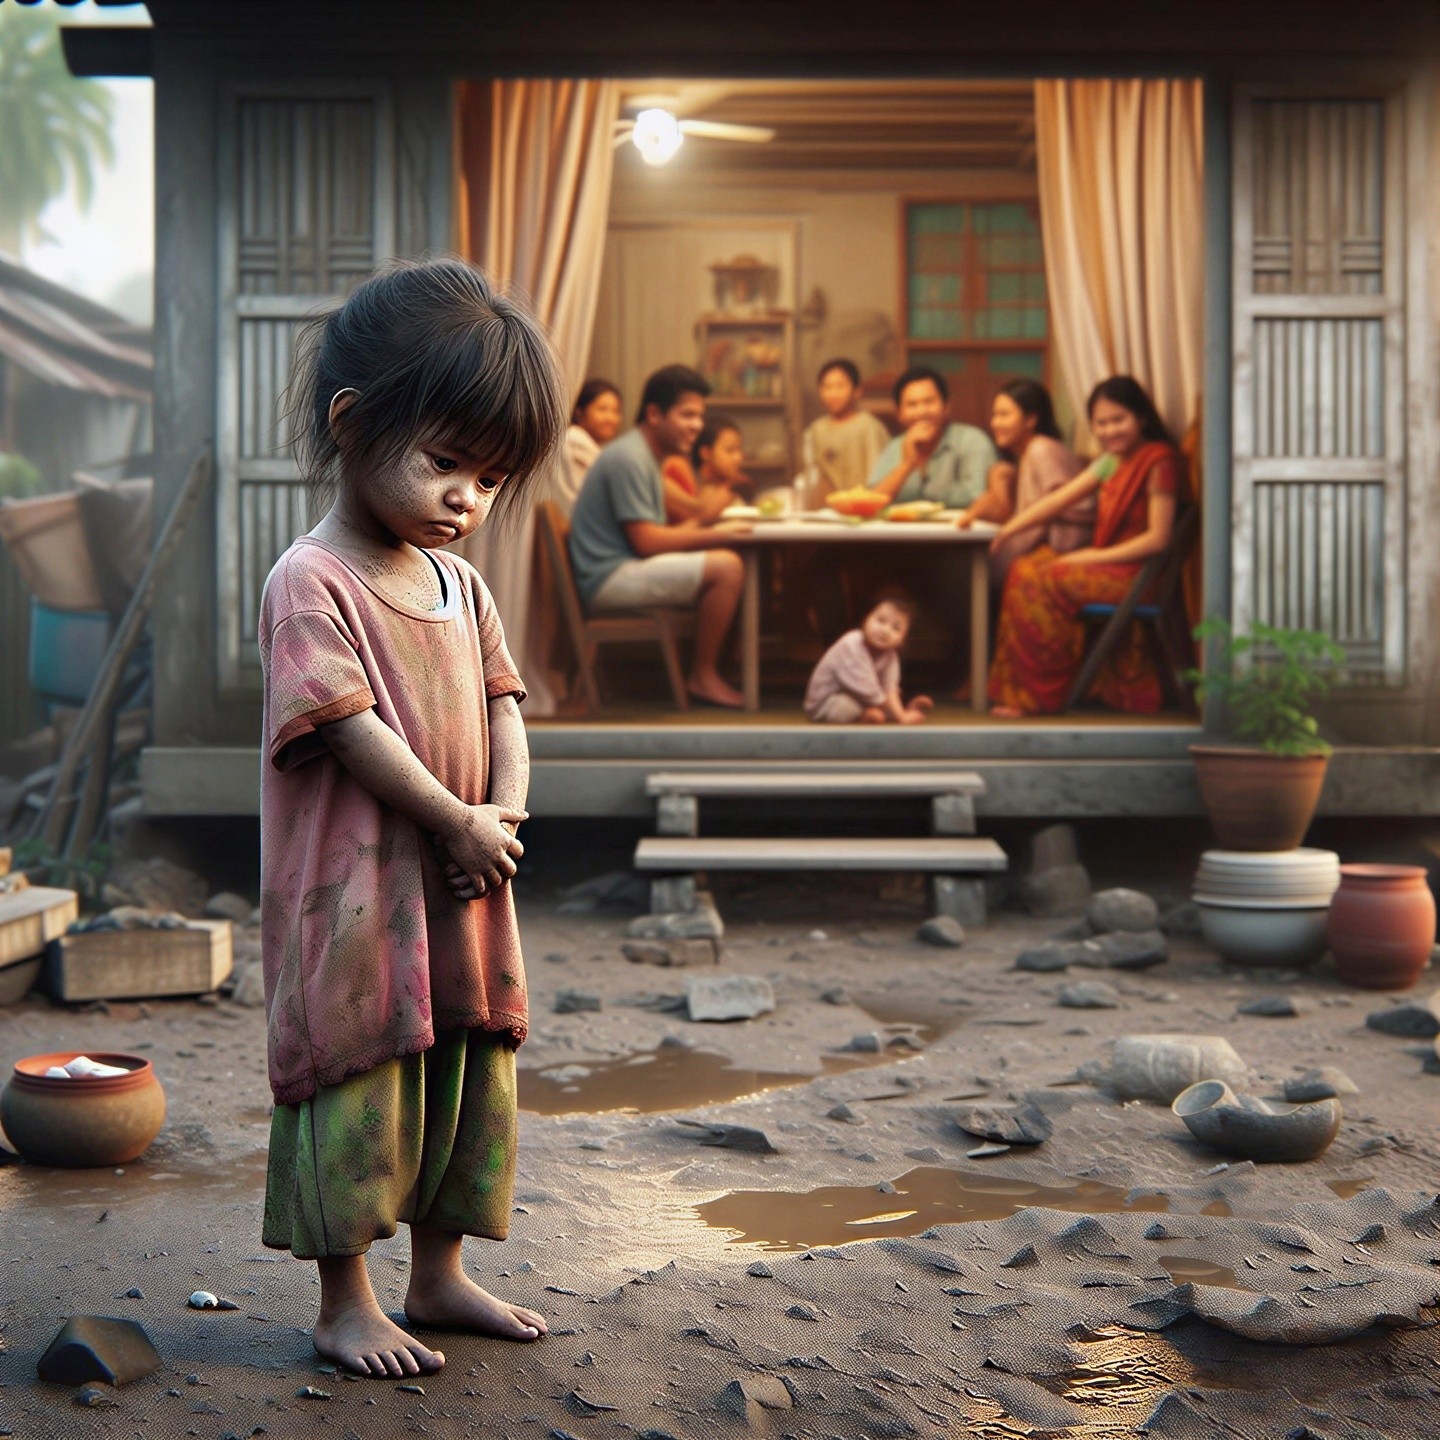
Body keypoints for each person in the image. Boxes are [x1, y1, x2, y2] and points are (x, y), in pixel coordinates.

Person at [257, 259, 569, 1378]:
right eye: (446, 464)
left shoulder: (462, 586)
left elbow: (504, 703)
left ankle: (437, 1276)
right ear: (353, 424)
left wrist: (506, 809)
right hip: (357, 894)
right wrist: (455, 818)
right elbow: (348, 729)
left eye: (489, 480)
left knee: (471, 1059)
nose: (467, 501)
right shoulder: (314, 581)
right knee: (357, 1070)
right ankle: (345, 1302)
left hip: (464, 877)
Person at [987, 375, 1185, 717]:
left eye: (1118, 420)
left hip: (1136, 575)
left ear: (1141, 418)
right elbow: (1060, 499)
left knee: (1039, 580)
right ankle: (1026, 692)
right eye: (1101, 423)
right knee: (1025, 567)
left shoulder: (1159, 461)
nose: (1110, 431)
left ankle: (1041, 697)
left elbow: (1158, 538)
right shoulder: (1110, 461)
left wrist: (1091, 556)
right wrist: (1009, 530)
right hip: (1108, 565)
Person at [568, 364, 751, 708]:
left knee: (726, 554)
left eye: (700, 416)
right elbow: (647, 542)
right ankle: (704, 675)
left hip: (622, 566)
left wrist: (710, 530)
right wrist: (716, 535)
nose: (698, 425)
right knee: (727, 566)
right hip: (609, 576)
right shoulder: (630, 457)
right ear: (654, 413)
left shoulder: (646, 455)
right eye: (688, 415)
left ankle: (717, 671)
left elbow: (659, 531)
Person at [960, 378, 1094, 584]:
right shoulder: (1024, 454)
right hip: (1043, 547)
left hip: (1064, 549)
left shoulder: (1041, 448)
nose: (995, 423)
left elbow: (1060, 506)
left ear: (1031, 419)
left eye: (1004, 415)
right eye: (994, 415)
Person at [867, 365, 998, 508]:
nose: (922, 411)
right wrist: (907, 465)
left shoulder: (973, 441)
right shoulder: (895, 446)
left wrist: (930, 490)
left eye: (929, 402)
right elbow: (872, 502)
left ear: (946, 407)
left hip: (958, 528)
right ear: (899, 414)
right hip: (904, 529)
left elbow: (978, 496)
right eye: (912, 404)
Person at [804, 590, 932, 724]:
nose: (886, 631)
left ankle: (902, 711)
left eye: (896, 628)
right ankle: (864, 718)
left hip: (863, 699)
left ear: (902, 640)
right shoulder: (852, 644)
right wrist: (900, 717)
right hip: (826, 703)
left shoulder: (890, 655)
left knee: (883, 705)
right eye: (881, 620)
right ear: (866, 618)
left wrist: (901, 713)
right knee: (849, 706)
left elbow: (889, 688)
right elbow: (868, 691)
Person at [803, 358, 890, 501]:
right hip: (831, 509)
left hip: (864, 506)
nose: (833, 394)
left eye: (840, 386)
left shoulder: (868, 427)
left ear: (857, 391)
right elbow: (816, 475)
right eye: (827, 387)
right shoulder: (816, 429)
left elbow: (879, 476)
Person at [661, 415, 750, 524]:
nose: (738, 457)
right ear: (706, 453)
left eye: (739, 449)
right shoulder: (678, 468)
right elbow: (698, 516)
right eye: (730, 450)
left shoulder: (719, 483)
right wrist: (728, 486)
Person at [557, 378, 622, 514]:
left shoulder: (583, 442)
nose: (611, 418)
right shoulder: (575, 441)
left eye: (615, 411)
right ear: (580, 412)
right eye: (602, 409)